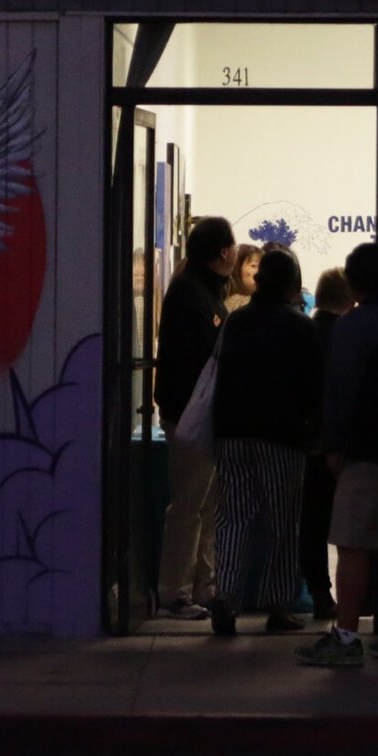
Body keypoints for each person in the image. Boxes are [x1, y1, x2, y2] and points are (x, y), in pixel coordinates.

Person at [298, 244, 378, 668]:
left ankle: (346, 635)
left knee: (351, 543)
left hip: (366, 452)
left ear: (352, 282)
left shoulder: (353, 326)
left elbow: (341, 391)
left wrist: (334, 446)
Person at [210, 248, 325, 636]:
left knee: (234, 517)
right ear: (294, 285)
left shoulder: (236, 321)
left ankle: (225, 594)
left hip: (232, 432)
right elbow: (314, 389)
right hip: (281, 436)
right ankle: (278, 605)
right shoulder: (301, 327)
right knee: (282, 521)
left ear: (258, 282)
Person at [152, 216, 236, 621]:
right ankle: (175, 592)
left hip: (197, 414)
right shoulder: (193, 293)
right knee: (188, 505)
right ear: (223, 253)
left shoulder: (200, 289)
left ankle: (204, 586)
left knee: (203, 505)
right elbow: (200, 359)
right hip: (191, 416)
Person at [300, 269, 357, 623]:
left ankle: (320, 593)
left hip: (306, 439)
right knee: (348, 525)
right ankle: (357, 600)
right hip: (337, 441)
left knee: (313, 523)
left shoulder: (305, 328)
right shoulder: (343, 336)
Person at [224, 243, 264, 314]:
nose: (260, 271)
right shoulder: (239, 304)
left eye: (263, 266)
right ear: (238, 268)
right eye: (254, 266)